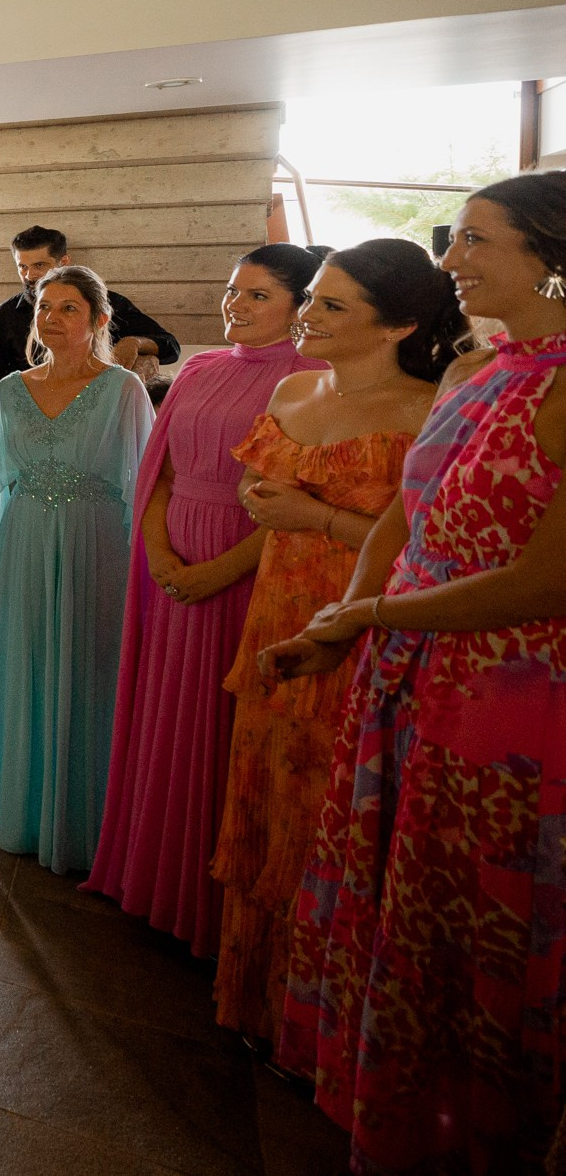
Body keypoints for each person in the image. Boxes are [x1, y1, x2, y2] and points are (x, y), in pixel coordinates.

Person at [267, 175, 566, 1173]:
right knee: (410, 901)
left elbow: (544, 580)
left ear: (551, 257)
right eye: (453, 238)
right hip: (406, 664)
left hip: (510, 695)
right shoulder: (474, 368)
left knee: (481, 919)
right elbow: (406, 511)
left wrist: (373, 613)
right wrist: (342, 620)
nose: (450, 261)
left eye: (476, 240)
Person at [209, 240, 457, 1048]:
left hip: (358, 625)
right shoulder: (293, 388)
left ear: (399, 325)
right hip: (277, 610)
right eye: (312, 296)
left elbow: (424, 544)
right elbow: (254, 487)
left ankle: (326, 1029)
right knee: (269, 796)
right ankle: (257, 1004)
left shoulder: (427, 408)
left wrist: (316, 515)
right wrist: (263, 497)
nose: (308, 314)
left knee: (334, 812)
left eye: (332, 304)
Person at [83, 243, 325, 950]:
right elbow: (159, 471)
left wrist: (218, 573)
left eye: (257, 295)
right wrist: (160, 553)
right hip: (173, 559)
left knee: (223, 723)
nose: (235, 305)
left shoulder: (314, 381)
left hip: (249, 563)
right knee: (169, 712)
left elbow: (299, 501)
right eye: (232, 290)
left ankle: (212, 904)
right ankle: (153, 875)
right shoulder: (200, 367)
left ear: (299, 305)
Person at [0, 265, 154, 876]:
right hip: (26, 538)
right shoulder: (10, 389)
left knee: (89, 665)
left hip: (96, 542)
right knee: (26, 660)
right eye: (44, 307)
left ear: (100, 318)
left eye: (68, 307)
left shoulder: (124, 390)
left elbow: (143, 485)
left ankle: (85, 822)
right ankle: (25, 812)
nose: (50, 318)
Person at [0, 225, 180, 414]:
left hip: (100, 414)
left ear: (64, 262)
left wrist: (135, 342)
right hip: (28, 417)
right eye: (22, 266)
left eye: (40, 265)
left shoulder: (105, 304)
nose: (29, 275)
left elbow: (171, 346)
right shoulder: (4, 315)